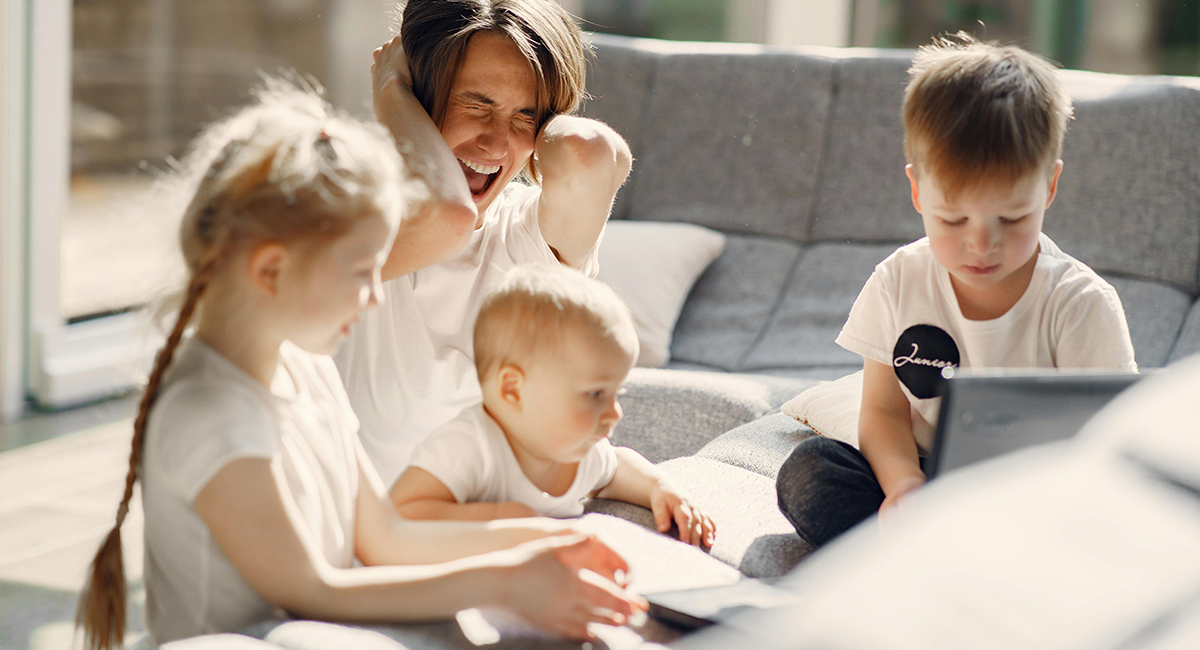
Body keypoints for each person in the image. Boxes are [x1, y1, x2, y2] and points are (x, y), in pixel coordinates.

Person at [77, 82, 643, 650]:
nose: (375, 296)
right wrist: (509, 583)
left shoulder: (306, 366)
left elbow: (387, 538)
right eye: (361, 272)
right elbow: (314, 591)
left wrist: (549, 543)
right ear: (272, 271)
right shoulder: (211, 411)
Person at [774, 35, 1138, 549]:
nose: (981, 244)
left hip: (1028, 492)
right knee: (811, 474)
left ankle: (939, 557)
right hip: (924, 477)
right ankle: (927, 551)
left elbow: (1107, 441)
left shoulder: (1079, 303)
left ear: (1049, 188)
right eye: (952, 219)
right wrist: (903, 484)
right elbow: (881, 412)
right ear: (918, 190)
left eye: (1012, 219)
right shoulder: (899, 278)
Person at [334, 0, 633, 486]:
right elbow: (446, 218)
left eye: (525, 116)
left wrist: (545, 112)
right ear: (420, 94)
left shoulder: (525, 239)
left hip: (482, 533)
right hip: (370, 539)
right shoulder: (349, 220)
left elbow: (589, 153)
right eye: (476, 104)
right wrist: (391, 93)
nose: (496, 145)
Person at [390, 265, 717, 547]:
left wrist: (659, 488)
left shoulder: (578, 453)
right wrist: (500, 516)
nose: (615, 413)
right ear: (513, 389)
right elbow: (401, 511)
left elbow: (615, 469)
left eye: (617, 393)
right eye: (594, 394)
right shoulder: (469, 446)